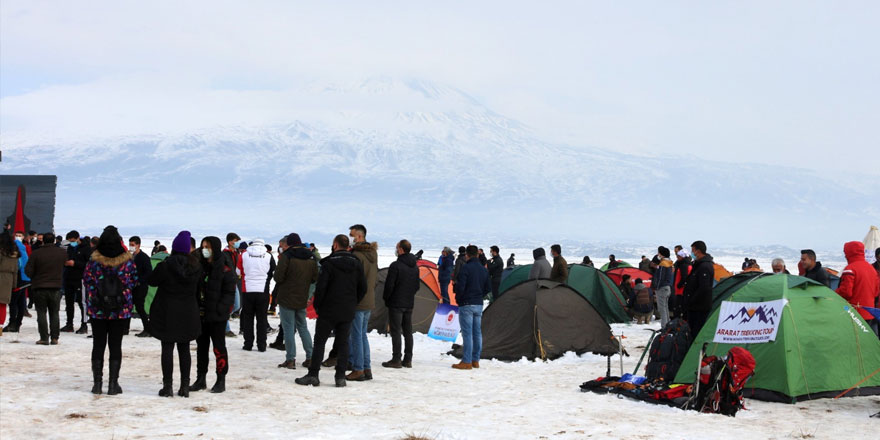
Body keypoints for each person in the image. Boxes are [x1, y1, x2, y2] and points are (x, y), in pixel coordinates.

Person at [295, 235, 366, 388]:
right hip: (347, 309)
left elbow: (321, 288)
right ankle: (340, 377)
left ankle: (313, 374)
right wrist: (353, 303)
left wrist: (319, 306)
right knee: (343, 343)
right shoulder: (357, 264)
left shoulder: (329, 263)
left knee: (320, 342)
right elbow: (363, 288)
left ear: (335, 245)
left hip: (328, 308)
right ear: (348, 246)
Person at [82, 226, 138, 395]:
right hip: (120, 310)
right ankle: (113, 384)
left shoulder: (94, 260)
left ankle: (97, 384)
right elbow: (134, 281)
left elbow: (87, 280)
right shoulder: (127, 261)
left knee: (98, 344)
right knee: (115, 345)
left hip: (98, 309)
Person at [148, 231, 202, 398]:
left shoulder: (165, 265)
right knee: (184, 348)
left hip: (167, 311)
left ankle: (168, 386)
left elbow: (152, 281)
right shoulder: (196, 267)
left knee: (167, 347)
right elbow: (198, 289)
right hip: (188, 311)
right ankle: (185, 386)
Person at [189, 236, 236, 394]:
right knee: (201, 348)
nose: (204, 250)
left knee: (218, 348)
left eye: (207, 247)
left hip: (216, 316)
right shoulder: (200, 266)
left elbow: (229, 293)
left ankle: (221, 379)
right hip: (200, 314)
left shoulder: (225, 268)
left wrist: (220, 310)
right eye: (203, 247)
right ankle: (200, 378)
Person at [274, 233, 318, 370]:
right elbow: (315, 277)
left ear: (290, 243)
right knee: (303, 327)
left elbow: (278, 277)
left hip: (287, 297)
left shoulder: (287, 256)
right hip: (302, 297)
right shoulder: (311, 256)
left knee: (288, 329)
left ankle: (290, 359)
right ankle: (310, 357)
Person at [381, 239, 420, 371]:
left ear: (401, 249)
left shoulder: (396, 266)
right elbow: (417, 286)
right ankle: (408, 359)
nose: (396, 250)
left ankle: (396, 359)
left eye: (397, 248)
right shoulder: (415, 267)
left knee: (396, 330)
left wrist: (387, 298)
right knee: (408, 331)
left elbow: (389, 285)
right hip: (409, 303)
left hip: (396, 303)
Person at [346, 224, 379, 380]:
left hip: (358, 301)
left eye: (352, 236)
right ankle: (366, 367)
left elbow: (353, 281)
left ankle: (358, 368)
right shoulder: (373, 253)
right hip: (369, 299)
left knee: (356, 336)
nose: (350, 239)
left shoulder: (357, 256)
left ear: (359, 237)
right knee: (362, 335)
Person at [25, 233, 67, 345]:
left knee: (41, 313)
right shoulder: (62, 253)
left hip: (39, 287)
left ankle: (44, 338)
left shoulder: (36, 253)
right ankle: (55, 337)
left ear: (43, 241)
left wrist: (35, 277)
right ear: (54, 241)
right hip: (56, 287)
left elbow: (28, 270)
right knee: (54, 313)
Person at [452, 245, 490, 370]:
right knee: (477, 333)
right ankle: (475, 360)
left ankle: (466, 361)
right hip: (478, 303)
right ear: (478, 255)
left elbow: (461, 286)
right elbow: (488, 288)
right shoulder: (484, 270)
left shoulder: (465, 268)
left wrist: (459, 298)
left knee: (467, 333)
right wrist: (479, 296)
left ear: (467, 255)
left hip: (466, 304)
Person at [836, 241, 880, 337]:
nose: (845, 256)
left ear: (850, 253)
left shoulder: (850, 268)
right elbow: (876, 292)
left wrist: (834, 293)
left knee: (855, 340)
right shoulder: (871, 269)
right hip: (870, 312)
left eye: (845, 253)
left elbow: (846, 292)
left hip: (854, 313)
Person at [240, 238, 273, 352]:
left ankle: (248, 344)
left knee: (248, 318)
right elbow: (272, 271)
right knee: (262, 318)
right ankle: (262, 345)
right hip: (263, 290)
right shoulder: (268, 256)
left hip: (247, 289)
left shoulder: (244, 254)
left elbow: (238, 271)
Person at [683, 241, 715, 337]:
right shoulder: (698, 264)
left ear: (698, 251)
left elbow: (704, 288)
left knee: (695, 332)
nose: (692, 253)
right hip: (695, 306)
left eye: (693, 250)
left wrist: (691, 300)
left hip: (699, 307)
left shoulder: (704, 266)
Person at [62, 230, 90, 334]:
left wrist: (75, 263)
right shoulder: (70, 248)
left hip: (80, 279)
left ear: (78, 238)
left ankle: (84, 324)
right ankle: (69, 323)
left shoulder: (86, 249)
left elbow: (88, 264)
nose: (71, 243)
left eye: (73, 241)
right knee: (69, 302)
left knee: (82, 302)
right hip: (69, 277)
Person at [4, 232, 30, 333]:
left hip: (19, 278)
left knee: (13, 302)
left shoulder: (15, 251)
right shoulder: (23, 249)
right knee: (21, 301)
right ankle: (18, 324)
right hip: (26, 278)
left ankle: (12, 323)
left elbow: (17, 266)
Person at [128, 236, 154, 337]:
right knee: (129, 307)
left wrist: (139, 281)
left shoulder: (143, 257)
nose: (131, 247)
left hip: (141, 287)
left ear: (138, 245)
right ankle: (125, 328)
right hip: (131, 286)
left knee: (140, 308)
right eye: (130, 245)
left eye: (133, 245)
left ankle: (147, 329)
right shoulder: (130, 257)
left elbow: (148, 272)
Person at [0, 233, 21, 336]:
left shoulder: (1, 252)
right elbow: (16, 271)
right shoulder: (15, 253)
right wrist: (14, 285)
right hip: (9, 279)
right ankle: (0, 326)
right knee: (2, 304)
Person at [223, 232, 243, 337]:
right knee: (230, 305)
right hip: (227, 282)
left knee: (236, 305)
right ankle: (226, 329)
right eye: (236, 241)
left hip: (235, 281)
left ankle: (223, 321)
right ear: (230, 242)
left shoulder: (236, 253)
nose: (237, 243)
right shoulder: (225, 254)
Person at [653, 246, 674, 328]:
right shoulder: (670, 263)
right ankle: (668, 325)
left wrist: (656, 287)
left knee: (662, 309)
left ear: (662, 254)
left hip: (661, 288)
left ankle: (664, 327)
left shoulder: (663, 264)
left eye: (659, 252)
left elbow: (660, 278)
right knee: (666, 308)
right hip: (667, 287)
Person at [672, 249, 691, 319]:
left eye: (678, 256)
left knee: (678, 308)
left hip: (681, 291)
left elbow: (684, 277)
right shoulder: (687, 264)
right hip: (683, 291)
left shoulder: (683, 265)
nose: (677, 257)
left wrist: (679, 285)